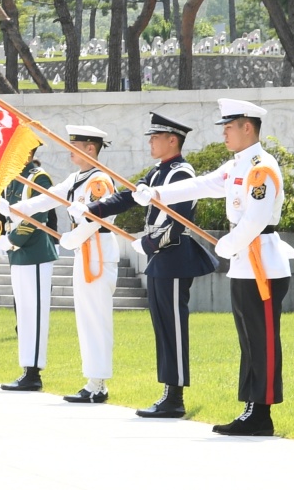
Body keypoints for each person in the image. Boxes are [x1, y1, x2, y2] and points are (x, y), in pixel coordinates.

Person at [131, 97, 294, 438]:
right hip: (244, 264)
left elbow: (256, 219)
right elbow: (202, 184)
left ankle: (261, 413)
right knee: (249, 340)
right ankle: (251, 408)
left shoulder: (260, 167)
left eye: (229, 127)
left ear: (247, 127)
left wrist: (228, 244)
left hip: (263, 263)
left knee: (262, 340)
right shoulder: (237, 166)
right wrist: (157, 194)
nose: (224, 133)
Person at [85, 112, 213, 419]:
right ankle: (168, 392)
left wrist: (149, 243)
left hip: (175, 257)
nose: (151, 142)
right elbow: (131, 197)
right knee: (162, 327)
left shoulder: (182, 173)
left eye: (156, 137)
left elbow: (178, 222)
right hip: (160, 260)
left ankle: (175, 396)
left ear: (173, 140)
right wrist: (94, 208)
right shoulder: (157, 172)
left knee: (174, 327)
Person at [47, 124, 124, 403]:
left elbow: (98, 219)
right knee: (86, 319)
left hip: (98, 254)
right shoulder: (79, 178)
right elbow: (50, 196)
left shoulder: (99, 181)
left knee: (97, 318)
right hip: (85, 252)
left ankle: (98, 383)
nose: (69, 150)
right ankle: (94, 381)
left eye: (74, 145)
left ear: (90, 148)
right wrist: (17, 211)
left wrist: (70, 239)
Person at [0, 143, 60, 392]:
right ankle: (27, 369)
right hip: (20, 255)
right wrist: (4, 237)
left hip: (35, 253)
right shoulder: (12, 179)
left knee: (34, 313)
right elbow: (10, 214)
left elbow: (37, 218)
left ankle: (34, 372)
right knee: (23, 313)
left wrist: (11, 241)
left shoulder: (38, 178)